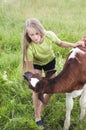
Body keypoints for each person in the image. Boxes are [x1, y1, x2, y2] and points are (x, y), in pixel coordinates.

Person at [21, 18, 85, 130]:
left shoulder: (49, 35)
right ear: (28, 35)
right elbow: (31, 70)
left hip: (50, 62)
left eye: (37, 33)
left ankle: (40, 110)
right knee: (37, 88)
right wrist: (34, 79)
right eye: (31, 35)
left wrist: (74, 44)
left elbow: (60, 43)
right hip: (37, 65)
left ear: (41, 31)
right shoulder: (30, 48)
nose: (35, 37)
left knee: (51, 89)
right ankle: (37, 117)